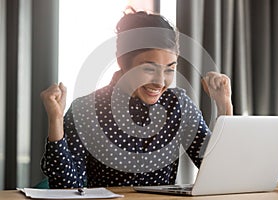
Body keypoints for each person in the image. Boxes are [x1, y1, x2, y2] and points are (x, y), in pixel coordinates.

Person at [40, 9, 233, 189]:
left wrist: (224, 108)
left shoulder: (178, 105)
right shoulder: (85, 109)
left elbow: (220, 173)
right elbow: (66, 189)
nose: (160, 82)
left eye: (169, 69)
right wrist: (55, 121)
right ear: (121, 60)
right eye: (148, 68)